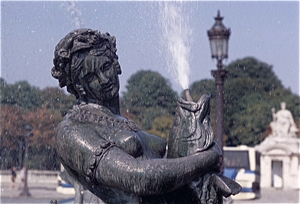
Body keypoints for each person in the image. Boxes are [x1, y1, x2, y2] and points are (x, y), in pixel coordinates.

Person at [52, 29, 239, 203]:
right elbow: (139, 179)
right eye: (91, 77)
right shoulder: (71, 130)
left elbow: (171, 178)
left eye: (106, 67)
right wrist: (210, 156)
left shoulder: (124, 123)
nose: (104, 79)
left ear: (116, 64)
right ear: (79, 87)